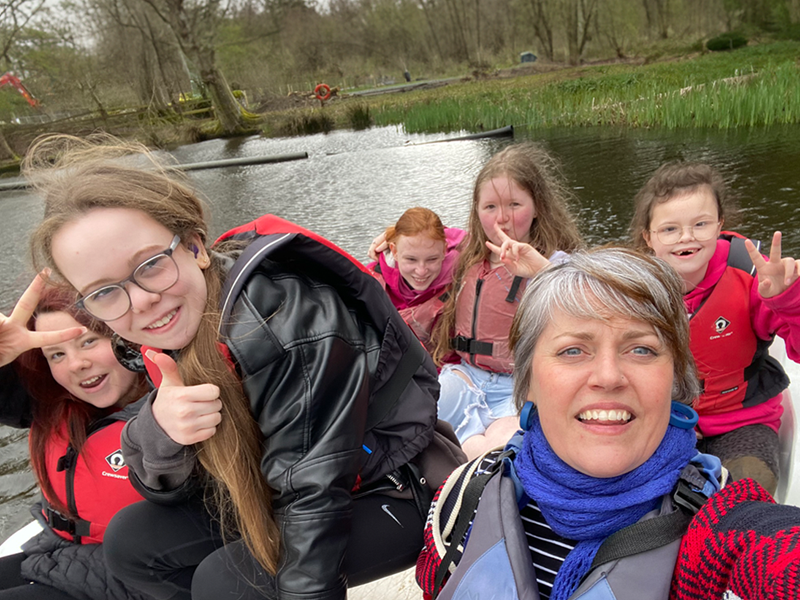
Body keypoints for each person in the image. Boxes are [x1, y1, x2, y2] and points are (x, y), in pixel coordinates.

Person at [24, 134, 465, 600]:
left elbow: (314, 498)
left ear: (194, 246)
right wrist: (162, 432)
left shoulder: (288, 321)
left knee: (227, 581)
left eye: (150, 264)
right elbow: (166, 489)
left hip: (395, 486)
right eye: (105, 292)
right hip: (276, 488)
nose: (141, 301)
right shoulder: (164, 331)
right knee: (132, 543)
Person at [417, 247, 800, 600]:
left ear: (674, 381)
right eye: (572, 350)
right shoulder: (465, 495)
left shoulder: (716, 524)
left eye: (641, 349)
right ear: (528, 381)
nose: (608, 376)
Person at [629, 162, 800, 495]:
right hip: (668, 422)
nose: (687, 237)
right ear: (649, 237)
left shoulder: (752, 279)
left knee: (747, 494)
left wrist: (787, 300)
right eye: (670, 229)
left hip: (742, 422)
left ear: (719, 224)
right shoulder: (635, 289)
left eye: (701, 224)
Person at [0, 276, 150, 600]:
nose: (76, 365)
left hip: (134, 576)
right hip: (58, 549)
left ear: (125, 338)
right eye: (56, 355)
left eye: (88, 341)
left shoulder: (175, 411)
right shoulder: (51, 402)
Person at [430, 142, 583, 457]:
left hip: (517, 388)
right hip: (466, 379)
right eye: (490, 208)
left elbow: (589, 305)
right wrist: (388, 244)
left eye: (514, 204)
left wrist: (540, 269)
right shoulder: (465, 257)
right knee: (422, 422)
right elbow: (413, 257)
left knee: (495, 450)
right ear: (477, 211)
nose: (501, 219)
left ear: (537, 206)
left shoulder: (559, 263)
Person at [368, 207, 465, 353]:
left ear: (444, 249)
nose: (421, 271)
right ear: (394, 251)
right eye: (411, 259)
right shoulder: (371, 279)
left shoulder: (466, 266)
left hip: (451, 369)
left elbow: (485, 241)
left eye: (432, 259)